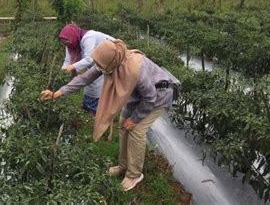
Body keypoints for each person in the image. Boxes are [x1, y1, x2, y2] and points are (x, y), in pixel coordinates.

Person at [40, 39, 178, 191]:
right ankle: (123, 165)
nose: (98, 68)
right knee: (123, 124)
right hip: (138, 97)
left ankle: (134, 174)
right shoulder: (109, 60)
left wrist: (135, 119)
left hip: (160, 96)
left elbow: (150, 97)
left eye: (100, 66)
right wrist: (57, 93)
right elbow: (85, 78)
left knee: (136, 130)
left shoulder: (135, 70)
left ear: (113, 64)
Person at [58, 23, 114, 115]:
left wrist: (72, 67)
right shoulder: (70, 44)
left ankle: (95, 109)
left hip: (111, 55)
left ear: (72, 36)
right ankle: (88, 106)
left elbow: (89, 59)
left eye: (67, 42)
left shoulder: (88, 37)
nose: (66, 44)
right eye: (64, 43)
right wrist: (62, 71)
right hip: (97, 60)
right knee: (87, 79)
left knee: (94, 81)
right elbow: (67, 60)